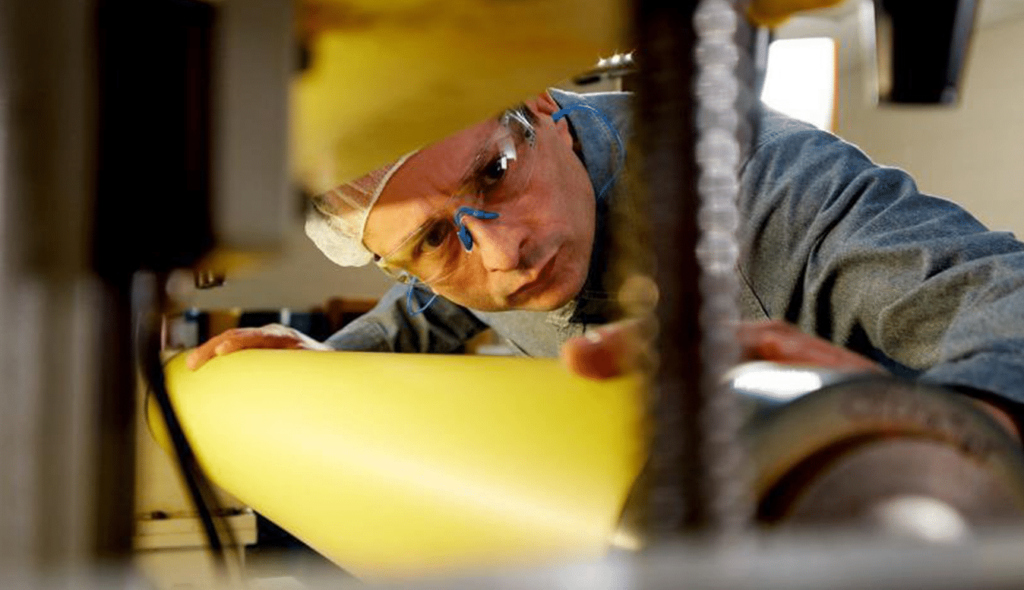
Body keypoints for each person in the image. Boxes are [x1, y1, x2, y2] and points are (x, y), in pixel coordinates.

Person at [187, 88, 1024, 439]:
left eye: (495, 174)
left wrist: (967, 431)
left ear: (542, 107)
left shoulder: (762, 192)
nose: (505, 253)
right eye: (437, 241)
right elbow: (436, 305)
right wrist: (329, 365)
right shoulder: (470, 264)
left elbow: (1002, 298)